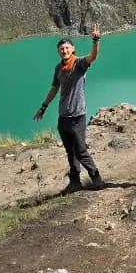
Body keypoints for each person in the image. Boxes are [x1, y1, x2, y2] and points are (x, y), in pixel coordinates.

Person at [33, 24, 106, 193]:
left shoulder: (80, 64)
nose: (64, 51)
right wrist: (43, 107)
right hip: (63, 116)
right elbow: (54, 88)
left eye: (67, 48)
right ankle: (75, 182)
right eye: (61, 49)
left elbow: (93, 57)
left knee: (80, 150)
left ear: (73, 49)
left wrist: (96, 41)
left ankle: (96, 178)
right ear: (58, 52)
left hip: (77, 116)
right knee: (70, 151)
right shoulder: (58, 68)